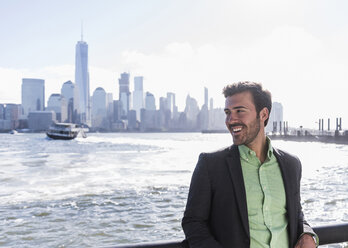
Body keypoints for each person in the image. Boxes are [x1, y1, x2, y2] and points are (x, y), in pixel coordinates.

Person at [182, 82, 318, 248]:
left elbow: (296, 214)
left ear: (263, 114)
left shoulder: (291, 164)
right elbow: (193, 222)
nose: (231, 120)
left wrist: (308, 234)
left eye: (239, 111)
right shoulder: (210, 165)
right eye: (227, 112)